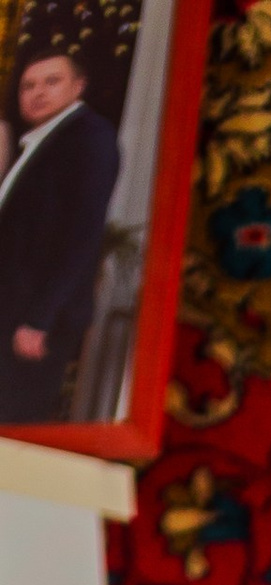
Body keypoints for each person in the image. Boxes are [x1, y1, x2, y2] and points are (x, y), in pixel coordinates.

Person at [0, 42, 117, 428]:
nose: (37, 93)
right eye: (28, 85)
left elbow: (82, 236)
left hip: (32, 320)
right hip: (14, 310)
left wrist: (39, 319)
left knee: (13, 427)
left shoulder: (89, 137)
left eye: (51, 82)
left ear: (78, 86)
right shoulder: (43, 141)